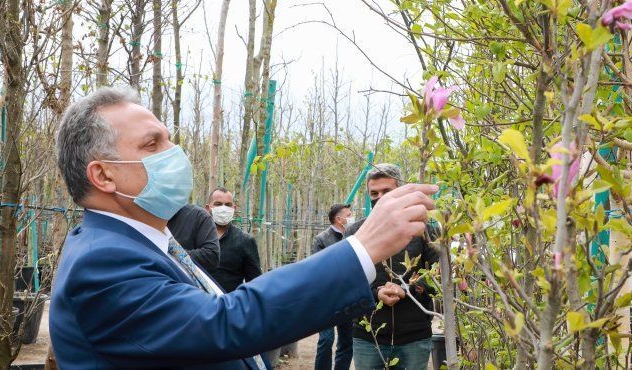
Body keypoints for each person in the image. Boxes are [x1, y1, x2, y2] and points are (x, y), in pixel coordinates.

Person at [49, 87, 438, 370]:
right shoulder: (102, 262)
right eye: (153, 144)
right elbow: (225, 322)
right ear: (104, 175)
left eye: (170, 139)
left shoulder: (147, 241)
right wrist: (363, 248)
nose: (174, 152)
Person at [346, 164, 439, 370]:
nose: (380, 197)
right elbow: (346, 283)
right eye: (374, 193)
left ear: (400, 191)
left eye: (387, 191)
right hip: (368, 337)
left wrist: (407, 289)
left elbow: (439, 277)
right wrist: (376, 292)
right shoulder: (356, 233)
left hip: (414, 336)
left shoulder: (424, 229)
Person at [312, 204, 355, 370]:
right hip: (327, 297)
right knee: (326, 339)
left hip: (348, 296)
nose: (352, 217)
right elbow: (318, 269)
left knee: (346, 340)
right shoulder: (321, 239)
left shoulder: (354, 237)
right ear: (339, 219)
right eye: (349, 215)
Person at [206, 186, 262, 292]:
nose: (223, 208)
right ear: (208, 208)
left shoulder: (245, 240)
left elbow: (255, 283)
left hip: (230, 304)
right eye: (218, 204)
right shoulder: (196, 237)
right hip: (198, 304)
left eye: (228, 205)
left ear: (234, 209)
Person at [167, 203, 220, 273]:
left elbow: (212, 256)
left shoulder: (199, 216)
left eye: (228, 204)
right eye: (218, 204)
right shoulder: (148, 219)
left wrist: (172, 255)